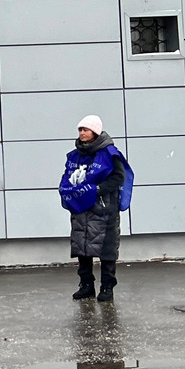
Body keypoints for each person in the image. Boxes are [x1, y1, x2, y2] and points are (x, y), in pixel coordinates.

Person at [59, 114, 132, 302]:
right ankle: (86, 285)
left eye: (86, 129)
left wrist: (97, 190)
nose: (82, 133)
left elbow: (118, 177)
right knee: (82, 246)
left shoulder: (109, 154)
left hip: (104, 209)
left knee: (107, 249)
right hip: (81, 207)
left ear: (95, 132)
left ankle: (107, 286)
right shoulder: (75, 155)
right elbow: (68, 175)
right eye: (80, 129)